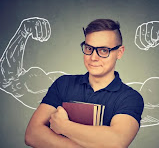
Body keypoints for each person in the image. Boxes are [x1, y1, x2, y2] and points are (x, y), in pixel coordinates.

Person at [25, 19, 144, 148]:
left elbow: (116, 142)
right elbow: (32, 134)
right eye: (89, 48)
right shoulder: (63, 84)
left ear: (119, 52)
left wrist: (64, 126)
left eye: (103, 50)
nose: (93, 57)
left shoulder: (130, 98)